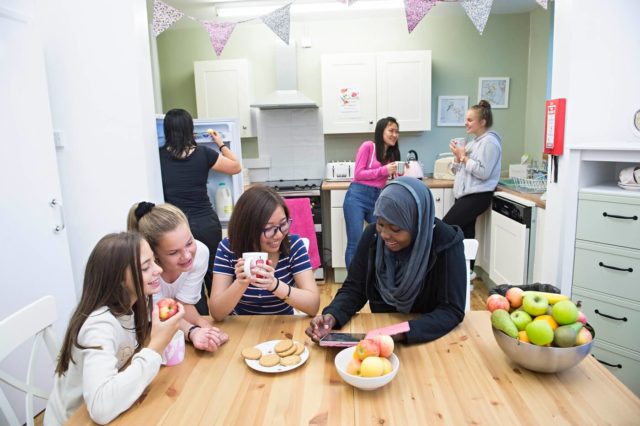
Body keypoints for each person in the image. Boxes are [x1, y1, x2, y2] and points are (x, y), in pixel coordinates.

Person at [305, 177, 467, 344]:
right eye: (380, 224)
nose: (385, 235)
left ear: (418, 224)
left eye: (396, 229)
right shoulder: (373, 237)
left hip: (428, 337)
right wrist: (332, 315)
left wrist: (401, 332)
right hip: (382, 330)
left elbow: (451, 310)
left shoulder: (446, 243)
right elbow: (354, 288)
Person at [45, 232, 185, 425]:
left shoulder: (134, 303)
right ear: (119, 279)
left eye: (154, 261)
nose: (158, 269)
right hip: (77, 419)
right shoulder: (98, 325)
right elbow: (100, 409)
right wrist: (156, 347)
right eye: (146, 267)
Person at [159, 108, 242, 315]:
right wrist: (220, 143)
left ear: (167, 131)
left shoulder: (158, 158)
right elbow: (235, 167)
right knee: (215, 275)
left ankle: (199, 322)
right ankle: (222, 318)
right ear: (190, 130)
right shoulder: (203, 154)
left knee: (187, 281)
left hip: (176, 231)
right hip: (206, 223)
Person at [128, 201, 229, 351]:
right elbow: (161, 314)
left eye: (189, 243)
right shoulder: (146, 272)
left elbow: (183, 304)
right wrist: (193, 332)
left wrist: (207, 329)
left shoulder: (200, 253)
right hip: (148, 332)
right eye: (173, 252)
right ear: (154, 254)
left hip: (175, 327)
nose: (187, 255)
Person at [209, 185, 320, 320]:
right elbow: (216, 313)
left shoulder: (293, 245)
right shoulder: (228, 248)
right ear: (248, 228)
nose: (279, 235)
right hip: (241, 327)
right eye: (268, 229)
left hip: (283, 324)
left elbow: (313, 306)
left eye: (283, 224)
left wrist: (274, 284)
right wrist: (240, 283)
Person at [443, 100, 502, 277]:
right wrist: (456, 157)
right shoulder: (473, 143)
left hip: (477, 196)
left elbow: (483, 173)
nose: (465, 123)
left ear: (482, 122)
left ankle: (445, 270)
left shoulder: (490, 143)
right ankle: (467, 273)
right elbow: (456, 169)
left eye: (469, 120)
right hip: (465, 196)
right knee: (466, 234)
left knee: (445, 228)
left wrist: (463, 158)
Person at [343, 116, 401, 268]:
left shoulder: (392, 155)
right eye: (391, 130)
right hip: (357, 197)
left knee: (385, 237)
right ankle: (353, 285)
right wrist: (384, 170)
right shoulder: (368, 146)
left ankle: (378, 277)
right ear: (381, 131)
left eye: (397, 131)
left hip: (377, 198)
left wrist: (398, 174)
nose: (394, 134)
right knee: (355, 243)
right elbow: (358, 174)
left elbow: (386, 179)